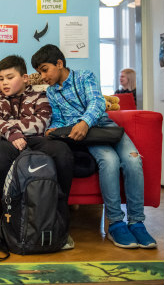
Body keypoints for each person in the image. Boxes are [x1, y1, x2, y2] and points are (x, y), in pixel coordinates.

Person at [31, 44, 157, 249]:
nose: (43, 76)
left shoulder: (84, 76)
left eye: (45, 69)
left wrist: (84, 122)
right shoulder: (52, 93)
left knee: (133, 159)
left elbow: (97, 102)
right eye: (39, 72)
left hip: (104, 127)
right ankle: (116, 224)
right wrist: (53, 129)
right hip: (89, 137)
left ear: (59, 63)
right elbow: (59, 119)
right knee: (109, 161)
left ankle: (137, 222)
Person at [0, 55, 75, 249]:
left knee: (61, 151)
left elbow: (41, 123)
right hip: (7, 143)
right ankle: (7, 218)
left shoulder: (40, 95)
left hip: (37, 140)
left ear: (25, 78)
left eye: (10, 77)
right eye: (1, 78)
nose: (4, 83)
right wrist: (11, 134)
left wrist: (10, 128)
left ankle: (58, 217)